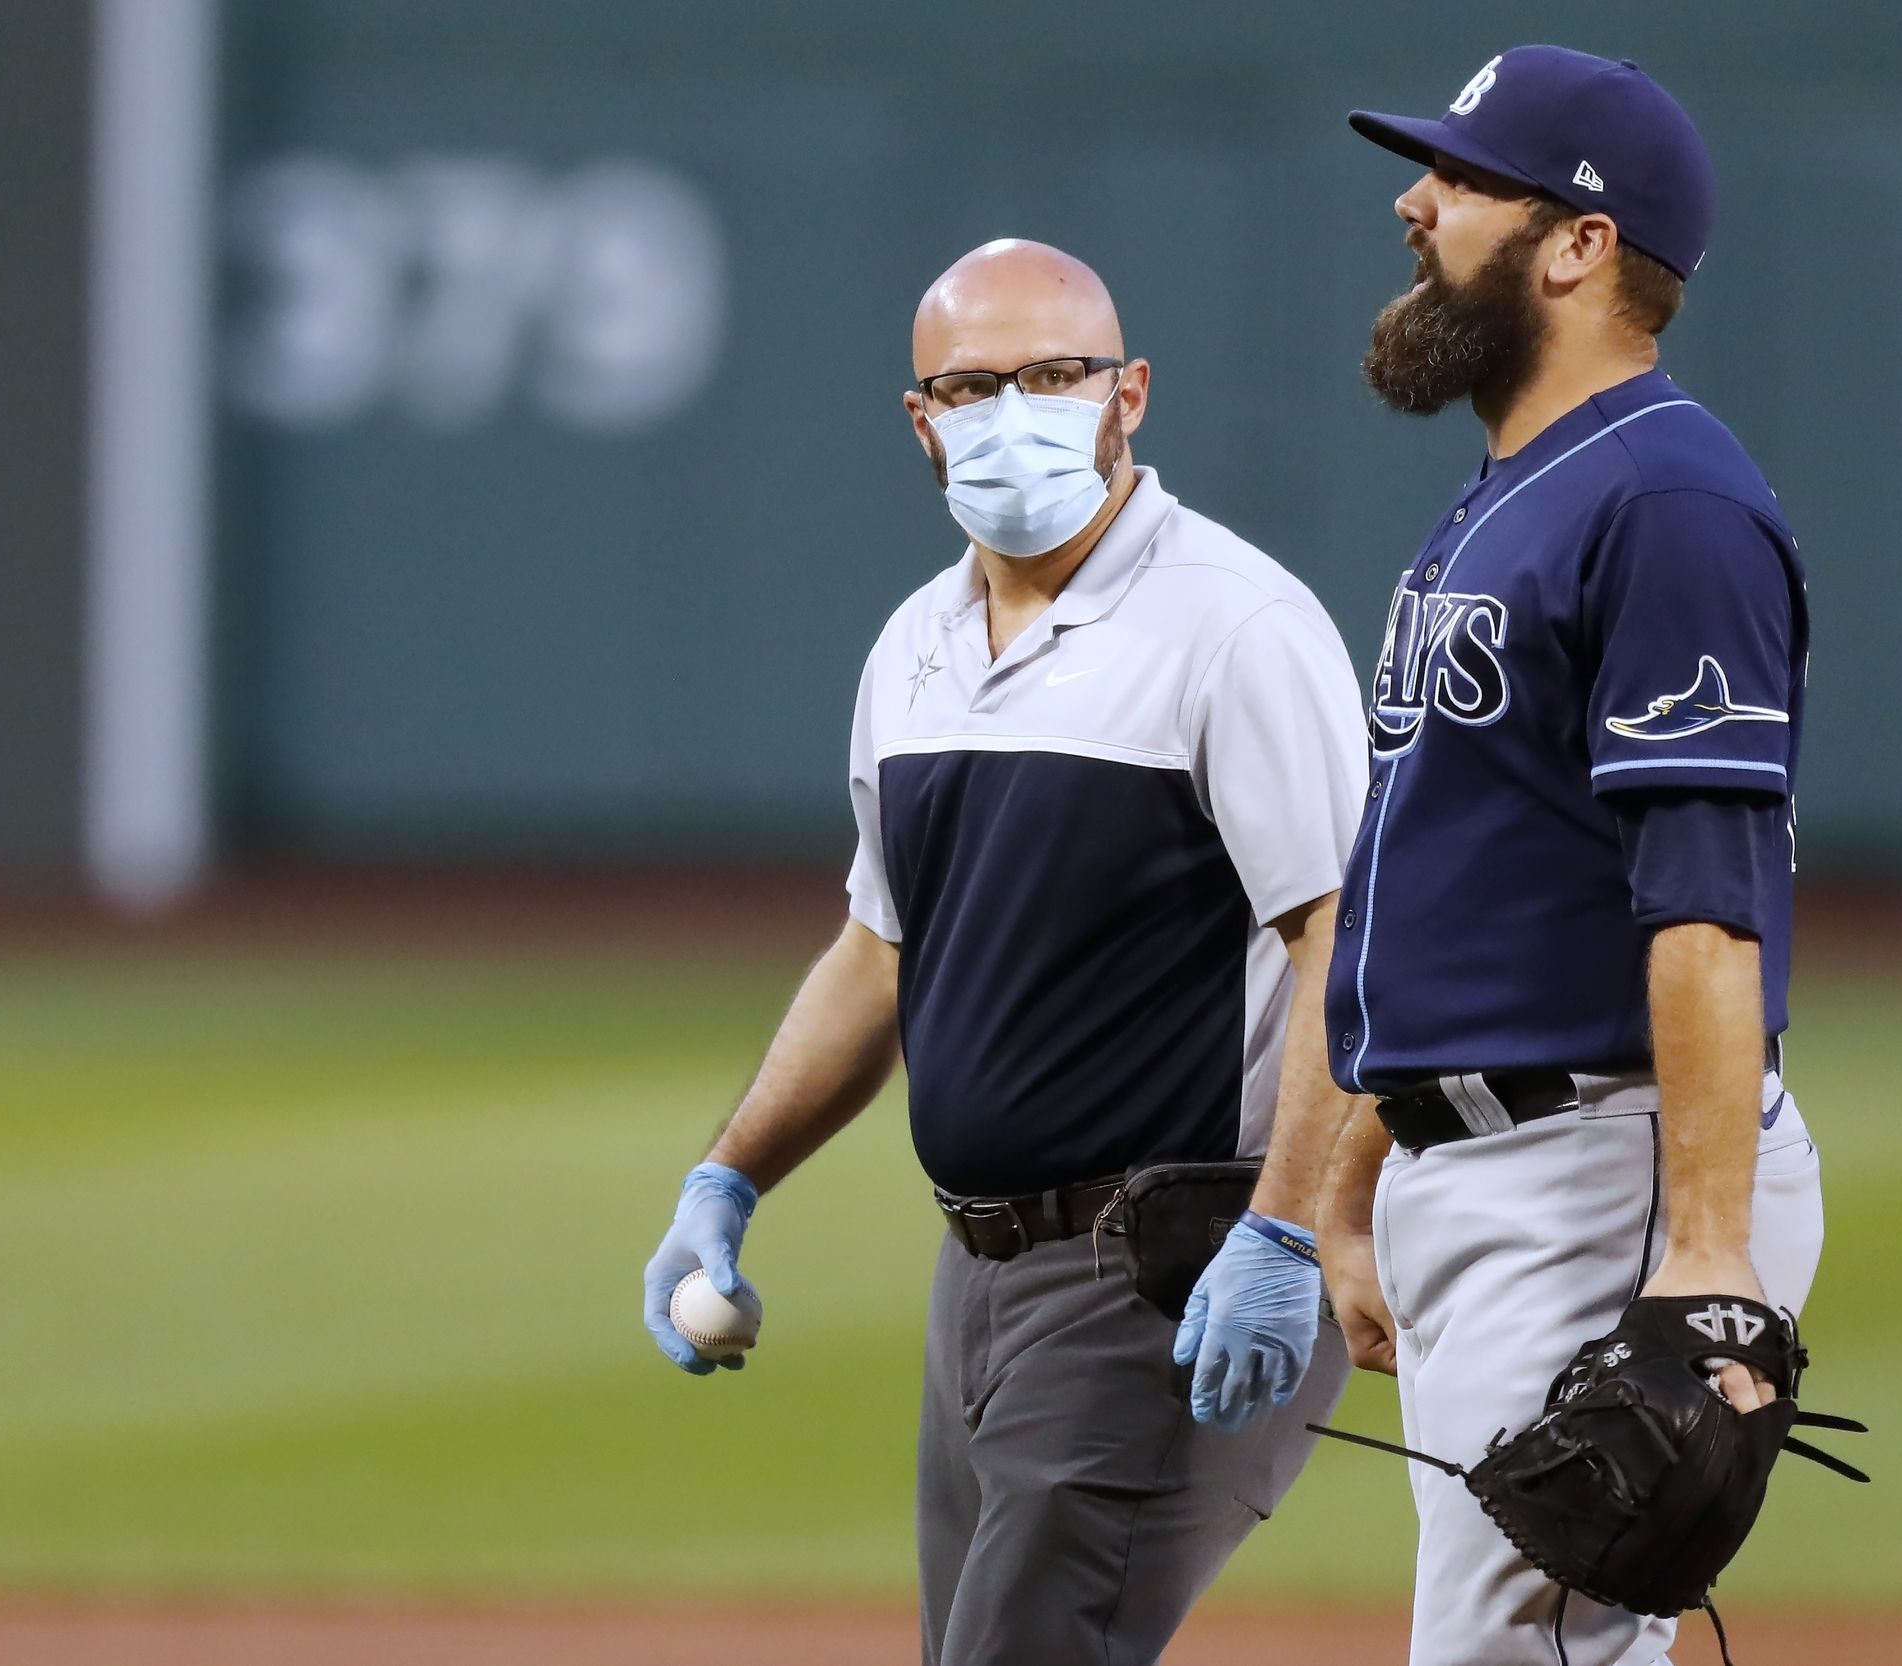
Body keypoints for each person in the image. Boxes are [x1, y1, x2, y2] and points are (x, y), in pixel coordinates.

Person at [638, 239, 1369, 1666]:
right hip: (975, 1281)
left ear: (1130, 395)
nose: (1011, 410)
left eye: (1052, 375)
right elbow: (878, 947)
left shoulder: (1236, 626)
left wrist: (1286, 1229)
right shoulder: (914, 646)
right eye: (971, 385)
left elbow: (1352, 940)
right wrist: (730, 1172)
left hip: (1163, 1265)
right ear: (922, 420)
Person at [1312, 48, 1828, 1666]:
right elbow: (1427, 867)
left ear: (1579, 245)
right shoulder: (1510, 495)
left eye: (1461, 181)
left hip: (1599, 1175)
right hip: (1494, 1168)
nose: (1416, 203)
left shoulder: (1666, 498)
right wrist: (1351, 1181)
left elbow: (1708, 903)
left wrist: (1708, 1259)